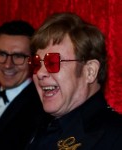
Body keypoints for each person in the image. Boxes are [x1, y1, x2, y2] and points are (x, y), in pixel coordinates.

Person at [26, 12, 122, 150]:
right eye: (36, 63)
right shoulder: (35, 128)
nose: (40, 73)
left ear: (90, 71)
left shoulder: (116, 136)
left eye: (52, 62)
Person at [0, 20, 51, 150]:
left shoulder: (41, 109)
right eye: (2, 54)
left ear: (32, 60)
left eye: (18, 56)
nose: (7, 65)